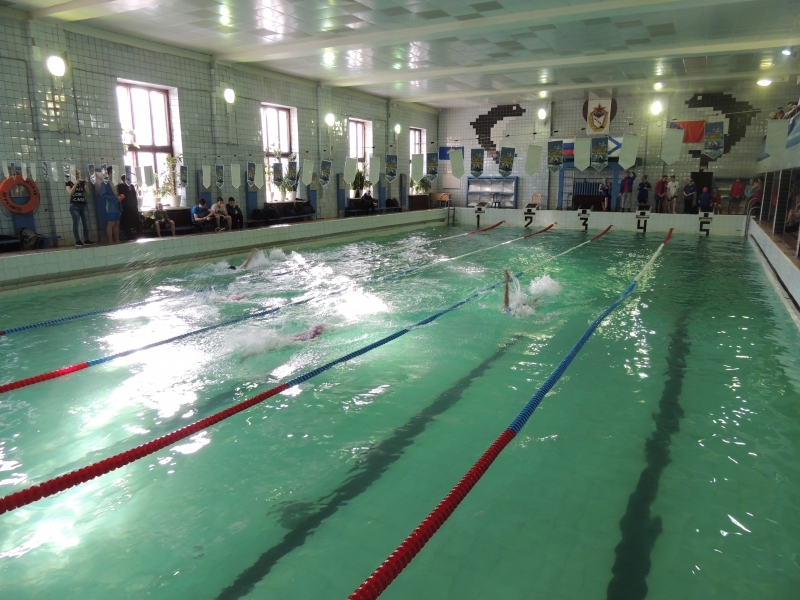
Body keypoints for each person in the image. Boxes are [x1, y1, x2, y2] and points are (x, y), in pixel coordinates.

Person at [65, 169, 95, 247]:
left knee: (86, 223)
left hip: (83, 205)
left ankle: (86, 239)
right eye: (76, 174)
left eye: (78, 174)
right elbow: (71, 192)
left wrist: (85, 185)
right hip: (74, 205)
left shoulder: (81, 183)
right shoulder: (69, 182)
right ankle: (77, 240)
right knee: (76, 223)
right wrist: (75, 184)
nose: (77, 176)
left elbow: (87, 193)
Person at [95, 166, 120, 244]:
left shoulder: (115, 183)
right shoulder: (105, 183)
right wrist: (114, 198)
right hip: (110, 205)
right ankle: (110, 240)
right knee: (111, 223)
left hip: (117, 205)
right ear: (109, 173)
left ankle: (117, 240)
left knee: (116, 223)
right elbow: (103, 195)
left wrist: (119, 197)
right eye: (113, 172)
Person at [117, 175, 142, 240]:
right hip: (125, 206)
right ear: (123, 180)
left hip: (133, 206)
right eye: (126, 179)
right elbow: (121, 195)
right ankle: (129, 236)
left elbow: (134, 195)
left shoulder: (131, 186)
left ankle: (139, 235)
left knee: (137, 221)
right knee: (126, 222)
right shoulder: (120, 186)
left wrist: (136, 204)